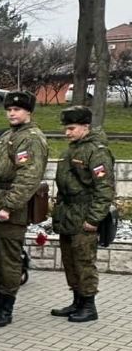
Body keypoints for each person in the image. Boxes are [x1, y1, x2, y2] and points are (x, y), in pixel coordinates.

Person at [0, 91, 48, 327]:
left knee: (8, 258)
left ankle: (6, 306)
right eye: (9, 110)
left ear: (28, 111)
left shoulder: (32, 139)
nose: (11, 113)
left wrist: (9, 206)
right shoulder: (7, 135)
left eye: (17, 109)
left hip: (12, 205)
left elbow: (28, 177)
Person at [51, 106, 115, 322]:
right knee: (70, 261)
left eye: (71, 128)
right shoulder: (70, 151)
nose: (67, 133)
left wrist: (93, 219)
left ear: (85, 127)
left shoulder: (97, 152)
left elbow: (104, 189)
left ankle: (89, 305)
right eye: (66, 128)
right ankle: (77, 301)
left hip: (84, 215)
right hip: (68, 214)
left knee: (84, 262)